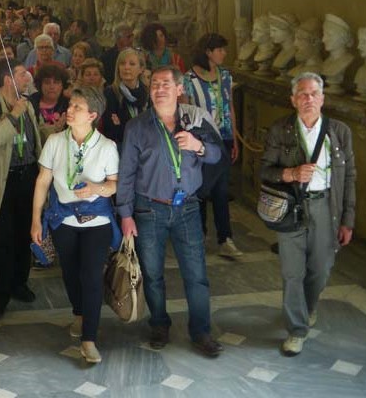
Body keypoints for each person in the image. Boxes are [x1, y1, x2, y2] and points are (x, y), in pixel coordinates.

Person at [116, 65, 225, 357]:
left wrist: (199, 146)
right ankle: (159, 324)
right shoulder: (136, 127)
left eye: (166, 83)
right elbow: (126, 173)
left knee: (196, 274)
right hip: (149, 209)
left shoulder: (195, 120)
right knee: (152, 274)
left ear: (179, 89)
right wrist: (125, 214)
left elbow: (218, 154)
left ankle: (201, 331)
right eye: (154, 84)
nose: (159, 88)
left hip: (187, 207)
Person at [260, 72, 355, 356]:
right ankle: (296, 330)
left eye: (314, 94)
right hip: (293, 208)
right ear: (293, 100)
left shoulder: (339, 132)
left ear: (323, 98)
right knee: (292, 273)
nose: (308, 99)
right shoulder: (280, 130)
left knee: (321, 269)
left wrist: (348, 220)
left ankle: (308, 306)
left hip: (327, 207)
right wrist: (290, 173)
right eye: (302, 94)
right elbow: (265, 170)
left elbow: (350, 177)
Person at [30, 87, 120, 364]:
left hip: (97, 221)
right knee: (70, 273)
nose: (69, 111)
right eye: (70, 106)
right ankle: (79, 313)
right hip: (63, 219)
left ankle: (89, 339)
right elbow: (43, 181)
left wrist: (96, 188)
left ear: (92, 115)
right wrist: (35, 220)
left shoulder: (107, 146)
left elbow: (114, 185)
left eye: (77, 108)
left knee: (91, 276)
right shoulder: (55, 141)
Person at [0, 58, 42, 319]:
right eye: (22, 74)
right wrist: (13, 116)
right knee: (1, 239)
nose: (28, 78)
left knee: (24, 235)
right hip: (2, 180)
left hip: (28, 176)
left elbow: (34, 136)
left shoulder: (26, 101)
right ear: (8, 79)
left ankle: (19, 283)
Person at [183, 34, 242, 258]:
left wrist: (234, 138)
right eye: (220, 49)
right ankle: (199, 234)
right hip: (200, 140)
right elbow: (186, 111)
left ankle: (225, 238)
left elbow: (230, 108)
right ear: (208, 51)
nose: (224, 53)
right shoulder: (189, 79)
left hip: (223, 138)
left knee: (221, 189)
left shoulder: (225, 76)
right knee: (199, 188)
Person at [102, 48, 148, 148]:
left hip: (146, 146)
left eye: (132, 64)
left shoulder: (148, 93)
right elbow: (111, 128)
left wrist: (121, 123)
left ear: (141, 69)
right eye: (122, 64)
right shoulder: (110, 93)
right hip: (119, 146)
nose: (126, 67)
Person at [29, 63, 70, 142]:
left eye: (56, 82)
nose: (52, 87)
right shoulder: (30, 102)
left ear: (62, 85)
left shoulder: (69, 105)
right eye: (47, 83)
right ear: (40, 85)